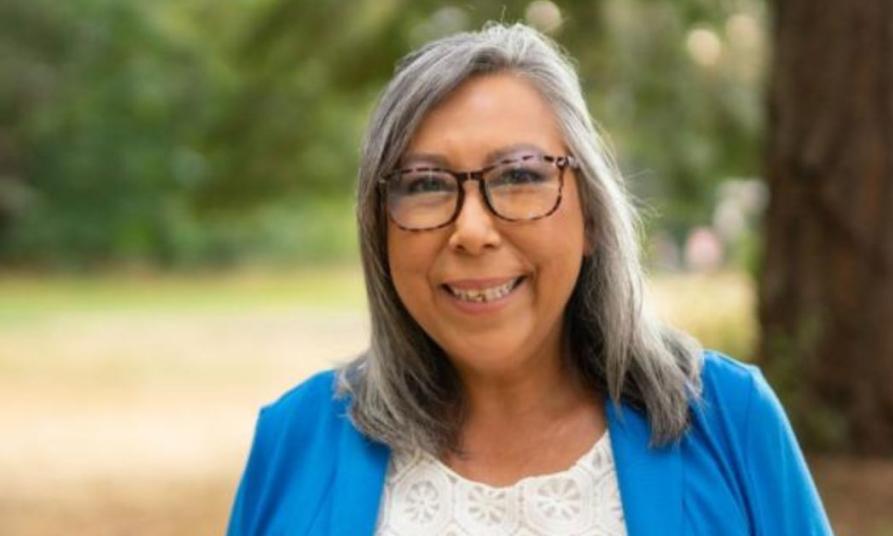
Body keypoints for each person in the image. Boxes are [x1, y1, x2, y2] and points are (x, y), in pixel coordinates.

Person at [227, 23, 832, 536]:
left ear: (590, 214)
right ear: (379, 231)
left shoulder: (730, 420)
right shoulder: (294, 440)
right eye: (425, 185)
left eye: (519, 176)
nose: (471, 230)